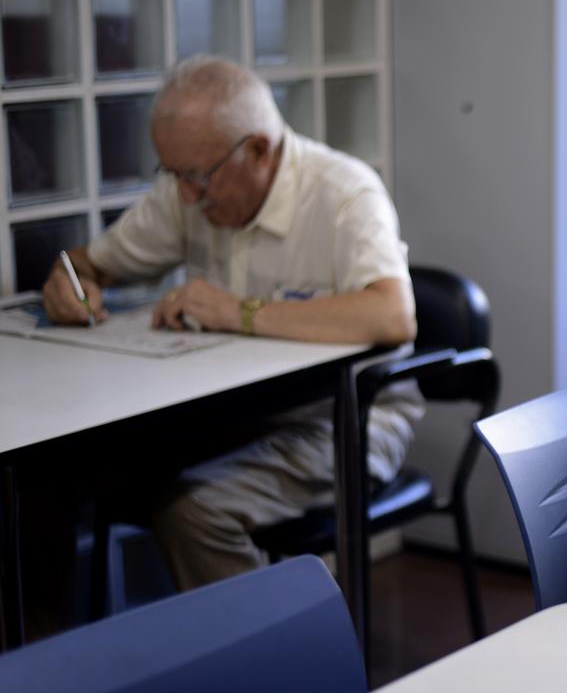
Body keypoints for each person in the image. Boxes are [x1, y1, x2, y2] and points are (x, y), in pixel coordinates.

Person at [40, 55, 421, 592]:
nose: (187, 197)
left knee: (195, 513)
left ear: (259, 150)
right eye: (172, 176)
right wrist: (67, 281)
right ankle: (45, 667)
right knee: (47, 476)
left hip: (351, 419)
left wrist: (239, 312)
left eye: (197, 178)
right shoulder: (187, 194)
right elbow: (88, 262)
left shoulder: (344, 193)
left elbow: (393, 315)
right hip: (237, 415)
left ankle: (273, 669)